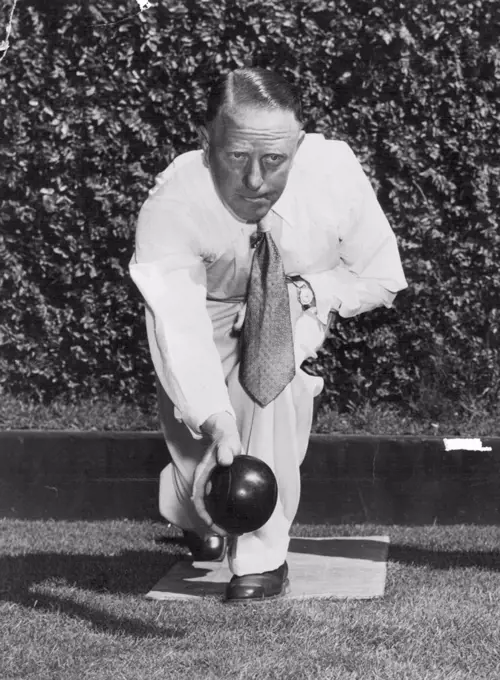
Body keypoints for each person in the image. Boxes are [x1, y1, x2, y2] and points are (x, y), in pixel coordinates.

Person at [130, 67, 407, 602]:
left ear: (298, 145)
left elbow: (382, 276)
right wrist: (216, 420)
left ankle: (261, 558)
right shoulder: (172, 203)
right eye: (237, 157)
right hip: (203, 306)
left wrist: (307, 292)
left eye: (274, 159)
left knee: (276, 393)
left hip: (294, 297)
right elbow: (180, 326)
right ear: (205, 143)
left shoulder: (334, 172)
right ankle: (189, 501)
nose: (256, 180)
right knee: (204, 440)